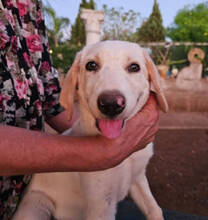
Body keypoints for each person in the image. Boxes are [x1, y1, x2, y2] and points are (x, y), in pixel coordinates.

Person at [0, 0, 159, 219]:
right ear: (78, 78)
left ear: (152, 80)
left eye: (133, 68)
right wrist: (94, 152)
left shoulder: (29, 5)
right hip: (39, 197)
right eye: (92, 66)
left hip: (27, 184)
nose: (113, 98)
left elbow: (50, 95)